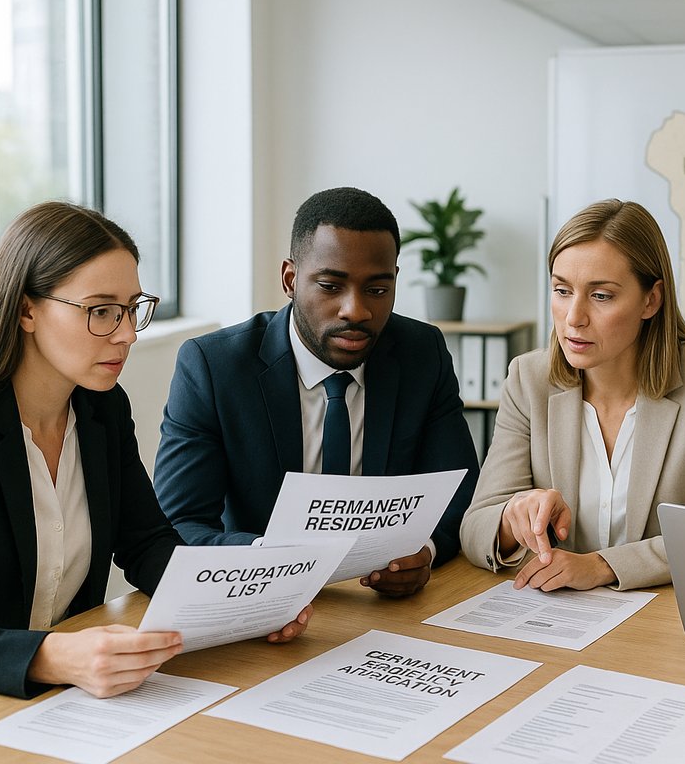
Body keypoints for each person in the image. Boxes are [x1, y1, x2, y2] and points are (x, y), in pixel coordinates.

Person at [0, 203, 310, 699]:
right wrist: (49, 655)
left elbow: (147, 545)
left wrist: (249, 593)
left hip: (68, 703)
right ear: (25, 309)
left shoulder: (100, 410)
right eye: (101, 311)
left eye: (131, 309)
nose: (126, 334)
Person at [154, 186, 479, 597]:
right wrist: (270, 561)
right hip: (257, 596)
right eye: (330, 286)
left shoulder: (421, 354)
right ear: (290, 279)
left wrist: (426, 551)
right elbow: (178, 524)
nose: (356, 311)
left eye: (377, 290)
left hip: (384, 605)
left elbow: (460, 491)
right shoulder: (214, 368)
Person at [459, 199, 685, 592]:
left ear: (651, 299)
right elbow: (475, 528)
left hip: (661, 624)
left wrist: (600, 566)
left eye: (601, 296)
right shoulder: (529, 378)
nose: (573, 317)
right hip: (555, 621)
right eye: (562, 290)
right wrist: (512, 520)